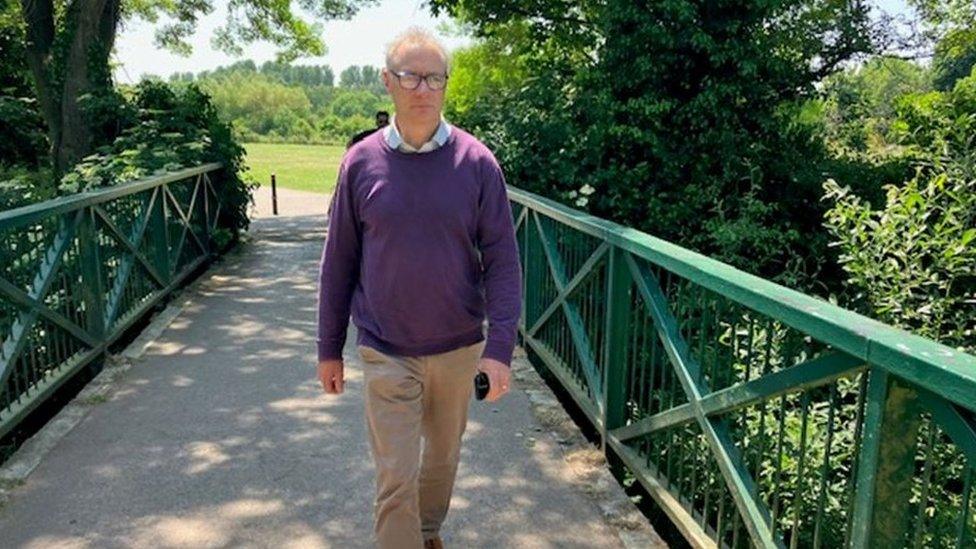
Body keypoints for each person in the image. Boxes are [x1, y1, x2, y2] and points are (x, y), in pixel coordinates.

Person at [316, 26, 522, 549]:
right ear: (388, 81)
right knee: (396, 476)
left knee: (442, 462)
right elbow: (338, 260)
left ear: (446, 85)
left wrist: (499, 349)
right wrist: (328, 348)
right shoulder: (360, 163)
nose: (422, 88)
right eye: (410, 76)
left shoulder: (477, 163)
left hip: (457, 347)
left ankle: (427, 532)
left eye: (434, 77)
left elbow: (503, 260)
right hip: (386, 349)